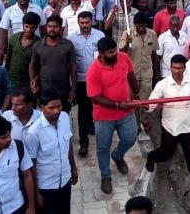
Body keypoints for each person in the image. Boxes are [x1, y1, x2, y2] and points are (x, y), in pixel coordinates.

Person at [144, 55, 190, 210]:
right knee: (165, 154)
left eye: (180, 68)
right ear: (170, 67)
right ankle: (151, 157)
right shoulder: (163, 85)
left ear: (184, 68)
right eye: (174, 68)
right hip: (170, 128)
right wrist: (145, 105)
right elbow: (151, 104)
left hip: (188, 128)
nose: (176, 71)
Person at [86, 37, 139, 194]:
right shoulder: (94, 70)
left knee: (130, 138)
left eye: (115, 50)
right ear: (101, 53)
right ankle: (105, 176)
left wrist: (136, 93)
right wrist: (117, 105)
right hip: (103, 117)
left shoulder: (123, 57)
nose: (114, 54)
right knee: (103, 147)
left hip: (126, 111)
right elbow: (94, 97)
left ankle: (117, 155)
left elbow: (131, 75)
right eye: (110, 52)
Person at [25, 92, 78, 214]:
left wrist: (73, 168)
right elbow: (31, 165)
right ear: (42, 108)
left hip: (65, 182)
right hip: (46, 188)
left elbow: (68, 143)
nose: (56, 111)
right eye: (51, 108)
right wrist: (36, 194)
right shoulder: (33, 132)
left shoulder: (64, 117)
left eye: (59, 106)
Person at [69, 11, 105, 156]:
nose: (85, 25)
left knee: (93, 106)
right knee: (82, 111)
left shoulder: (100, 36)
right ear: (78, 23)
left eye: (87, 22)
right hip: (81, 80)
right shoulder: (71, 38)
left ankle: (91, 125)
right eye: (82, 23)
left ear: (92, 22)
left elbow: (104, 57)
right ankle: (83, 142)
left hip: (97, 79)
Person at [29, 15, 76, 108]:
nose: (52, 29)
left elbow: (73, 67)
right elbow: (32, 64)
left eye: (55, 27)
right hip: (44, 90)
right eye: (49, 26)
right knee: (45, 113)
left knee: (63, 114)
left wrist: (74, 89)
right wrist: (32, 81)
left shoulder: (68, 45)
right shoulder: (38, 45)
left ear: (60, 28)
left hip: (63, 89)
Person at [5, 13, 41, 91]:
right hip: (11, 79)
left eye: (32, 28)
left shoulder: (39, 43)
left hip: (28, 82)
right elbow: (8, 58)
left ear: (36, 27)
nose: (28, 30)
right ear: (23, 25)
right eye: (26, 27)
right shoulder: (13, 38)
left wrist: (35, 79)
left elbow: (39, 65)